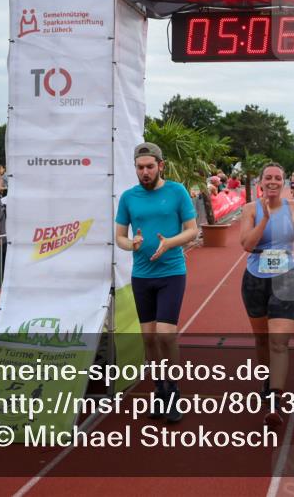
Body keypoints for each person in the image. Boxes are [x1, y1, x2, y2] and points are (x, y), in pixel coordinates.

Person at [115, 142, 198, 422]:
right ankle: (160, 389)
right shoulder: (128, 197)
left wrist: (169, 243)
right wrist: (132, 244)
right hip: (142, 276)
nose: (145, 172)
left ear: (160, 166)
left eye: (150, 167)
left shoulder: (177, 192)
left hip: (172, 272)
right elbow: (120, 236)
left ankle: (174, 391)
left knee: (165, 333)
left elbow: (192, 231)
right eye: (140, 168)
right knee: (148, 337)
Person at [239, 162, 294, 427]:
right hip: (255, 279)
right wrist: (266, 219)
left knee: (279, 342)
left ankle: (275, 400)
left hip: (285, 278)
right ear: (261, 182)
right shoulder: (249, 209)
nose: (272, 181)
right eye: (268, 177)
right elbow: (246, 245)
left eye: (277, 178)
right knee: (261, 341)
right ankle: (267, 381)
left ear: (284, 182)